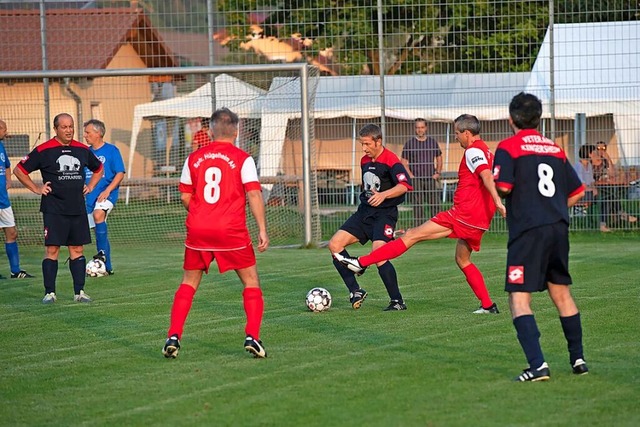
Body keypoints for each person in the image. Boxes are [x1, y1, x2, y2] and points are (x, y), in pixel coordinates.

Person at [336, 115, 506, 314]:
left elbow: (486, 175)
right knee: (463, 260)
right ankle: (488, 305)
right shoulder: (487, 150)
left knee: (411, 235)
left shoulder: (473, 150)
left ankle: (360, 263)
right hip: (480, 219)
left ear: (466, 133)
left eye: (457, 133)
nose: (456, 138)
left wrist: (497, 202)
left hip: (464, 215)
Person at [493, 92, 588, 382]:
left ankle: (537, 366)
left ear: (511, 120)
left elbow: (505, 187)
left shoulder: (508, 147)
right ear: (540, 118)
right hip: (558, 227)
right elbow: (577, 192)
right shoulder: (554, 149)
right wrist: (553, 208)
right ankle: (578, 359)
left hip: (528, 231)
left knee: (519, 298)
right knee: (561, 293)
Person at [163, 108, 269, 359]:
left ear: (210, 130)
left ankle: (173, 335)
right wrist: (262, 229)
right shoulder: (243, 159)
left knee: (188, 282)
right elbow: (254, 193)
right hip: (230, 230)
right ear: (237, 129)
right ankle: (252, 336)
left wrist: (202, 212)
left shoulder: (194, 158)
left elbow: (185, 196)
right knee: (251, 281)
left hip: (198, 229)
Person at [13, 113, 103, 304]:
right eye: (64, 127)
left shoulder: (81, 149)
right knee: (52, 249)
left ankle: (79, 292)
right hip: (54, 209)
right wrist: (36, 188)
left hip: (77, 208)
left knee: (77, 249)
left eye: (71, 126)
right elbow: (19, 170)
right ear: (56, 129)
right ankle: (50, 293)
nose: (69, 130)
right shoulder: (44, 150)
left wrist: (92, 186)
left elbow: (99, 168)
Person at [328, 123, 413, 311]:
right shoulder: (364, 161)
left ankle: (397, 301)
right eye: (362, 144)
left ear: (378, 141)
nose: (364, 148)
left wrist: (383, 195)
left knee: (379, 254)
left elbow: (404, 185)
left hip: (385, 215)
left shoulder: (391, 160)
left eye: (367, 144)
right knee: (335, 245)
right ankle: (355, 291)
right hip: (364, 213)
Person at [83, 119, 126, 275]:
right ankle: (107, 266)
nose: (85, 135)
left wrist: (108, 191)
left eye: (88, 132)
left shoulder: (112, 151)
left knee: (98, 214)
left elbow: (120, 173)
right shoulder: (86, 153)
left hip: (107, 195)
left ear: (98, 133)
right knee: (96, 229)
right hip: (89, 198)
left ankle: (101, 254)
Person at [0, 119, 34, 279]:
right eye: (3, 129)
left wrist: (8, 180)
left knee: (12, 233)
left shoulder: (1, 146)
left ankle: (16, 271)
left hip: (3, 200)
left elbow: (7, 166)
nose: (6, 132)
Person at [401, 118, 443, 227]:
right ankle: (419, 227)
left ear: (426, 128)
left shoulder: (432, 142)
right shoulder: (409, 144)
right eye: (418, 127)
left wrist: (437, 173)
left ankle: (436, 226)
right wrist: (410, 176)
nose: (420, 130)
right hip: (416, 179)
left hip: (430, 178)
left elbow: (439, 158)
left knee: (434, 203)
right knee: (417, 204)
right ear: (415, 129)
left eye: (422, 127)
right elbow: (404, 162)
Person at [590, 140, 637, 229]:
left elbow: (612, 174)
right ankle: (620, 213)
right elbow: (591, 177)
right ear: (595, 150)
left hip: (604, 187)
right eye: (598, 148)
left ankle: (604, 224)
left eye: (603, 148)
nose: (601, 150)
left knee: (609, 196)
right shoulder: (592, 161)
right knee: (608, 196)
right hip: (594, 188)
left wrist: (608, 159)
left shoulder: (605, 161)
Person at [574, 144, 609, 231]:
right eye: (594, 152)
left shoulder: (588, 165)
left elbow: (591, 181)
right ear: (589, 154)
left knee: (608, 197)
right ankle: (604, 224)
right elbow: (582, 185)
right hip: (579, 195)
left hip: (588, 192)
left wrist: (593, 188)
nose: (595, 154)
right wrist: (592, 189)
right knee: (604, 198)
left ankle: (603, 224)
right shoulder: (578, 166)